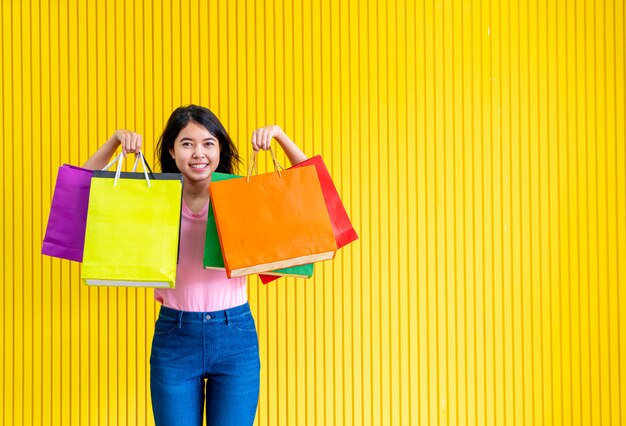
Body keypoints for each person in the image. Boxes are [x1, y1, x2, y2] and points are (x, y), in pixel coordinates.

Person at [83, 105, 308, 426]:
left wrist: (280, 136)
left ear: (220, 150)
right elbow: (80, 192)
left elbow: (310, 190)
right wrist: (114, 142)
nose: (198, 153)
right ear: (172, 151)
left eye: (208, 143)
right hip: (175, 337)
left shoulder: (242, 197)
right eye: (187, 143)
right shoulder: (153, 199)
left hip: (235, 337)